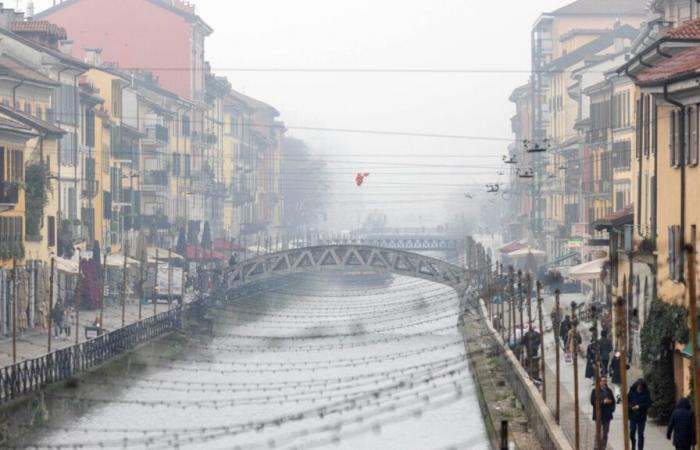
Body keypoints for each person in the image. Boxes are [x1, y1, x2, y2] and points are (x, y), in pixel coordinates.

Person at [590, 376, 616, 450]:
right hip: (598, 415)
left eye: (605, 381)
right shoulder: (595, 391)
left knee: (605, 432)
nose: (604, 382)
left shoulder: (609, 391)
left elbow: (613, 402)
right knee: (598, 432)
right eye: (602, 381)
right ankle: (596, 447)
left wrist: (611, 408)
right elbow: (593, 402)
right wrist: (603, 402)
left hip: (607, 415)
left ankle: (603, 447)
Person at [628, 379, 652, 450]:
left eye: (641, 386)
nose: (639, 387)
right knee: (632, 432)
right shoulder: (632, 391)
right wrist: (631, 407)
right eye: (638, 386)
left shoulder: (646, 392)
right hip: (633, 415)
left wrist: (639, 406)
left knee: (640, 434)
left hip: (642, 416)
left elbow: (649, 403)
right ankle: (633, 445)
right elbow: (627, 401)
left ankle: (640, 448)